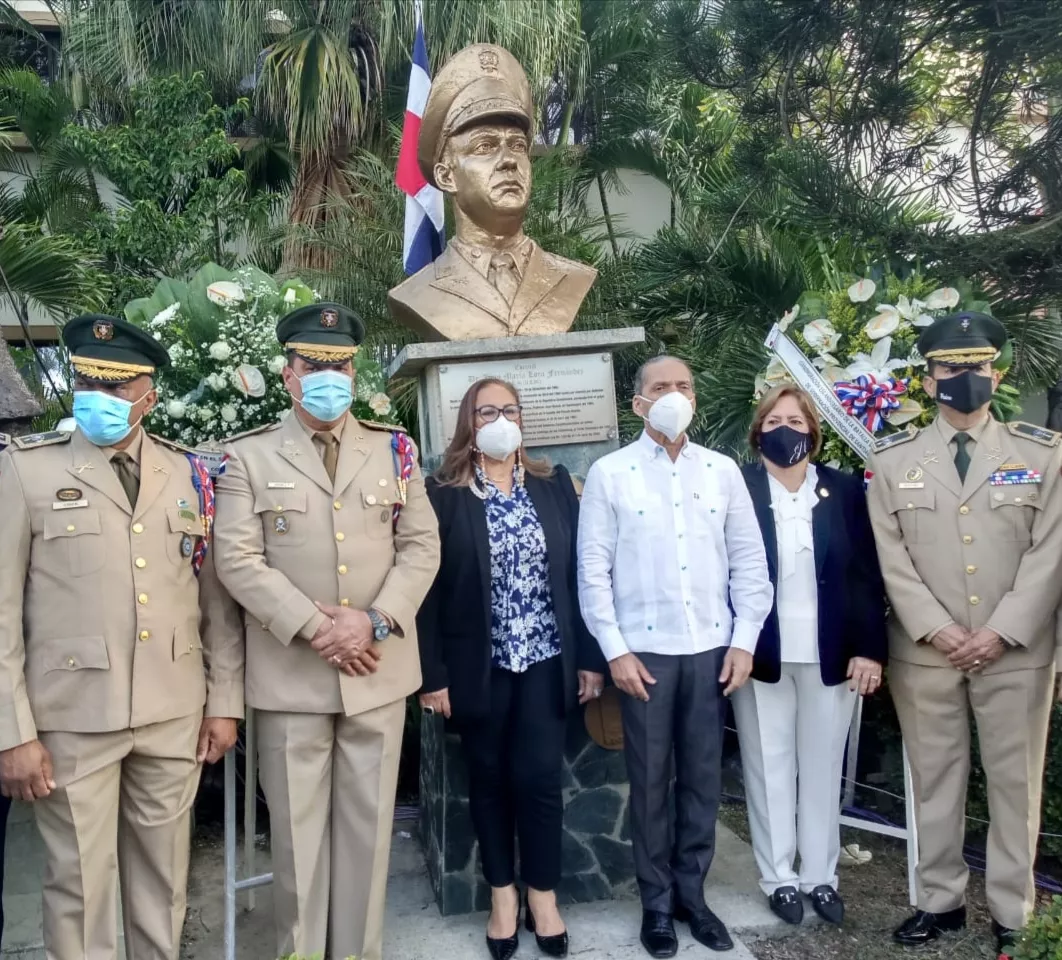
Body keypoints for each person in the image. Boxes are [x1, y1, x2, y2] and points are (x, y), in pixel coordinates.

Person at [0, 315, 244, 960]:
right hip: (73, 719)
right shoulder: (24, 473)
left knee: (162, 884)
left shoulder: (188, 474)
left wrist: (224, 701)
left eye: (119, 386)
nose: (100, 398)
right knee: (78, 889)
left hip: (172, 712)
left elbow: (214, 599)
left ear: (150, 396)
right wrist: (13, 732)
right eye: (88, 381)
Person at [212, 303, 441, 960]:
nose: (329, 376)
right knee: (298, 842)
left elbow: (421, 546)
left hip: (377, 671)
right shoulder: (247, 457)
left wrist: (371, 620)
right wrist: (320, 627)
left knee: (369, 838)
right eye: (314, 365)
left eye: (340, 364)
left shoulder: (393, 448)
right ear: (289, 375)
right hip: (293, 681)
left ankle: (358, 952)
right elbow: (236, 559)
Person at [866, 312, 1062, 957]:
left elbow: (1050, 553)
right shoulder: (893, 463)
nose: (965, 379)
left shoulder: (1042, 454)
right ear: (928, 381)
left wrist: (1001, 630)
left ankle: (1013, 910)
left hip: (1017, 652)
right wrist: (940, 628)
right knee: (934, 778)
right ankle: (938, 901)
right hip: (927, 653)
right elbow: (891, 557)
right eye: (951, 369)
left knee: (1014, 781)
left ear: (996, 374)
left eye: (976, 368)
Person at [577, 355, 773, 958]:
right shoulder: (610, 473)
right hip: (646, 656)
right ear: (637, 402)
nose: (674, 395)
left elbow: (749, 564)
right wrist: (615, 651)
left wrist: (745, 640)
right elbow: (592, 573)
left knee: (703, 783)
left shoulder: (721, 472)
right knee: (650, 783)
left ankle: (694, 896)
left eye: (684, 385)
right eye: (661, 387)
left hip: (710, 650)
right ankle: (657, 905)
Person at [417, 378, 606, 960]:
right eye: (487, 411)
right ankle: (503, 898)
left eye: (509, 409)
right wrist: (433, 675)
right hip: (480, 665)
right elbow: (425, 591)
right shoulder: (441, 494)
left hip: (548, 661)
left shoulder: (555, 489)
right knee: (490, 782)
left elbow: (582, 576)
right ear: (468, 425)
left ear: (524, 418)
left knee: (540, 782)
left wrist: (592, 659)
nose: (500, 419)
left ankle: (543, 896)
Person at [733, 385, 887, 927]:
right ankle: (778, 877)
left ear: (813, 430)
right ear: (758, 430)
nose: (785, 429)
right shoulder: (738, 486)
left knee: (821, 767)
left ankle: (820, 876)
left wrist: (870, 648)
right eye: (774, 419)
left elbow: (867, 575)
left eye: (796, 420)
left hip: (833, 654)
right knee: (767, 765)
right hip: (761, 653)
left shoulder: (844, 491)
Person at [388, 43, 596, 341]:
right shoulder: (419, 292)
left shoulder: (571, 277)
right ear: (446, 176)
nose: (509, 160)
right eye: (485, 147)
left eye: (518, 145)